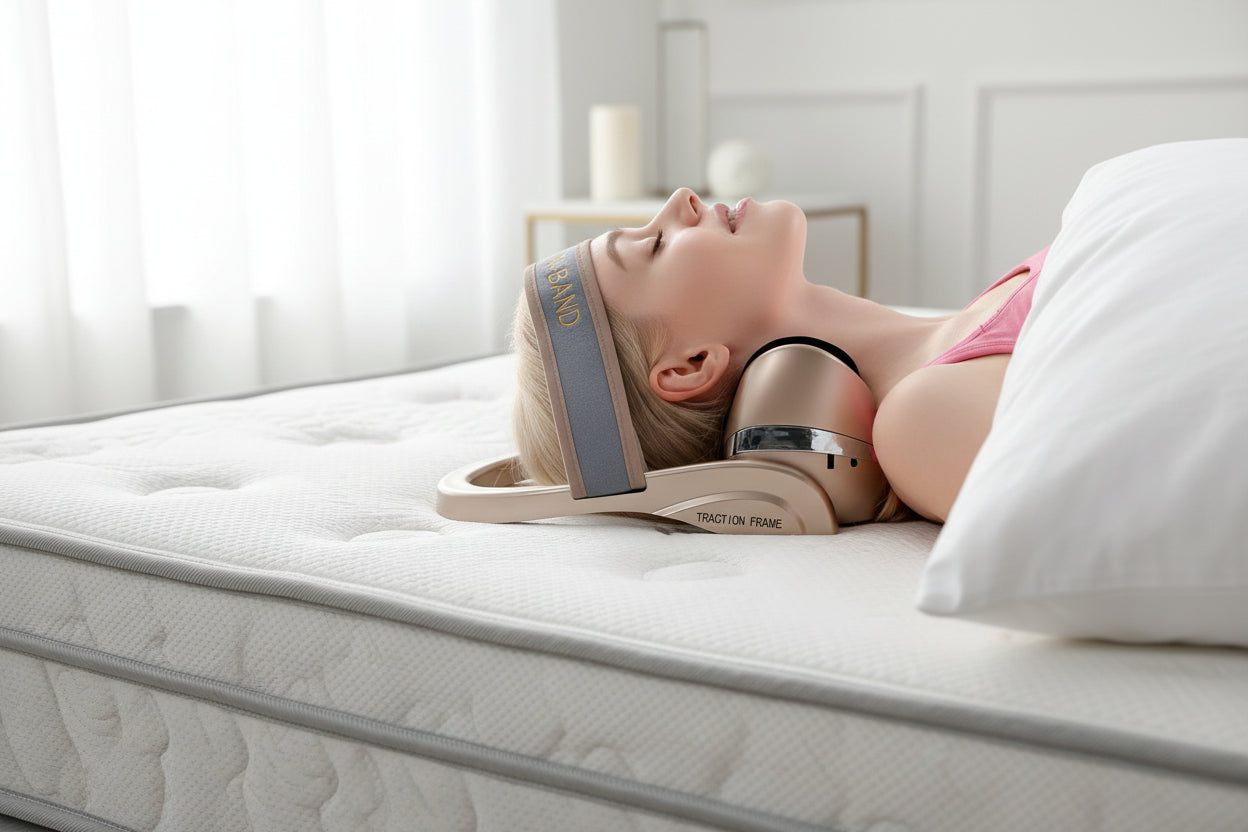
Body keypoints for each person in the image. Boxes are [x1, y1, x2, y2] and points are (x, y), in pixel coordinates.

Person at [511, 187, 1046, 524]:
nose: (681, 200)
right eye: (654, 246)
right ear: (689, 365)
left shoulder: (981, 318)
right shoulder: (926, 423)